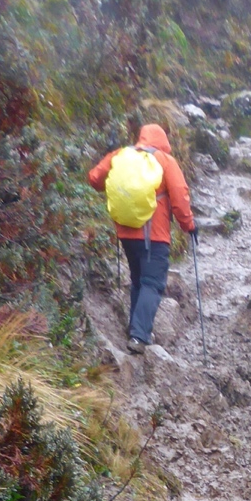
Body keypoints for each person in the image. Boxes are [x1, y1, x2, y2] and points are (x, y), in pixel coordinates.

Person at [88, 124, 196, 354]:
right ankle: (139, 336)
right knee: (153, 283)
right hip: (154, 236)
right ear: (163, 142)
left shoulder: (120, 154)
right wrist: (189, 226)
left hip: (126, 232)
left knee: (138, 280)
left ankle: (135, 329)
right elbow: (180, 198)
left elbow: (94, 178)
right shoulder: (166, 161)